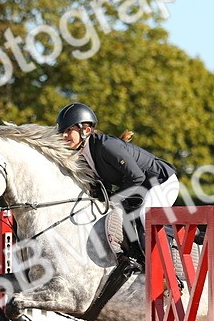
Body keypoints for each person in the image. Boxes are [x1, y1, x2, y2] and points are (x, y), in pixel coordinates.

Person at [56, 102, 179, 267]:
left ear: (85, 130)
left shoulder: (106, 145)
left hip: (161, 181)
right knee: (121, 217)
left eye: (68, 131)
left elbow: (136, 177)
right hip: (140, 188)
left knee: (145, 215)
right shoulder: (83, 154)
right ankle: (137, 260)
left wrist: (114, 199)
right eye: (61, 132)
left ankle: (167, 271)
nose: (64, 136)